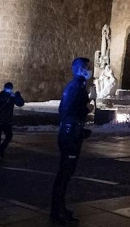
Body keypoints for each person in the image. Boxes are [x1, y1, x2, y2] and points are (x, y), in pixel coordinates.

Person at [50, 57, 94, 225]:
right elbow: (68, 110)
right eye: (87, 67)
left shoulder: (76, 86)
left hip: (70, 133)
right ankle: (57, 212)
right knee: (64, 174)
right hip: (70, 135)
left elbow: (66, 110)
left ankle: (60, 208)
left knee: (66, 174)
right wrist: (86, 109)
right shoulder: (76, 87)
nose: (90, 70)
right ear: (80, 69)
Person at [0, 82, 25, 164]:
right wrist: (8, 96)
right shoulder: (1, 96)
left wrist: (18, 96)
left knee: (8, 136)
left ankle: (0, 149)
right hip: (0, 120)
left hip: (7, 120)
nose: (9, 90)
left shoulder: (11, 97)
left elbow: (20, 103)